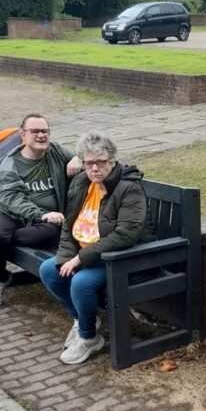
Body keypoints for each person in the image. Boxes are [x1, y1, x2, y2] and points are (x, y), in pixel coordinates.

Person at [39, 131, 153, 365]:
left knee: (81, 283)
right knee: (50, 270)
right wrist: (67, 257)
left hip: (120, 258)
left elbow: (126, 235)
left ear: (112, 161)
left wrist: (80, 259)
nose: (94, 168)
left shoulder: (129, 188)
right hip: (88, 253)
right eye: (89, 162)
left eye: (100, 162)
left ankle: (89, 338)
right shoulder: (81, 183)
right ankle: (81, 320)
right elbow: (70, 225)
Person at [0, 113, 81, 308]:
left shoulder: (55, 151)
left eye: (44, 131)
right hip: (12, 214)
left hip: (45, 222)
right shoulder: (9, 165)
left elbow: (77, 156)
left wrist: (75, 159)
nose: (41, 135)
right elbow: (13, 200)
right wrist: (40, 214)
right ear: (23, 135)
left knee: (49, 230)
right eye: (35, 131)